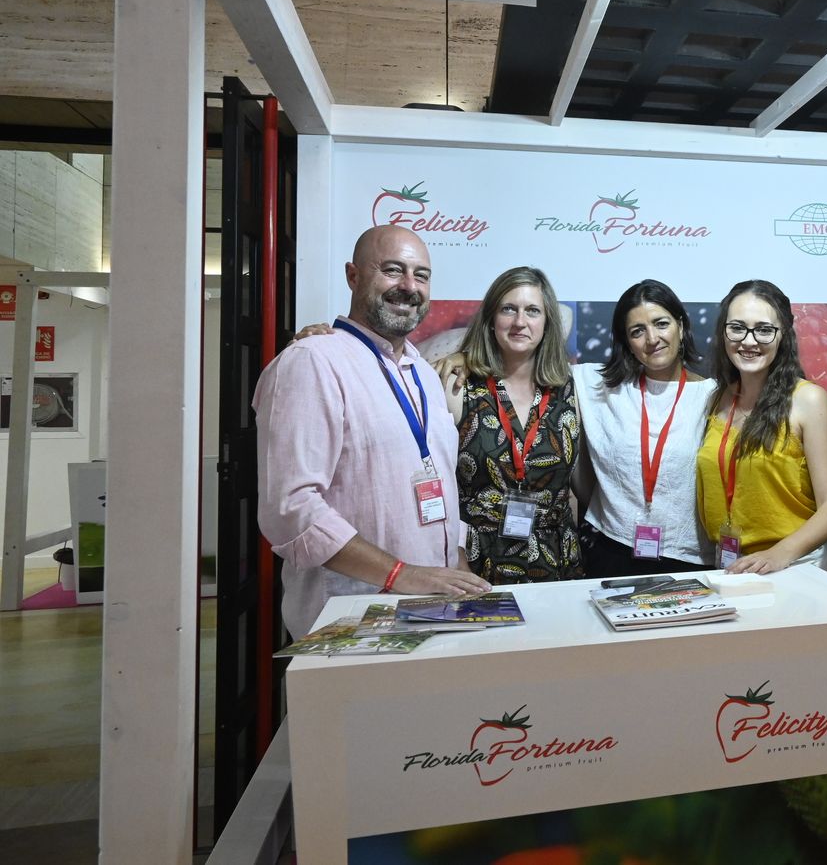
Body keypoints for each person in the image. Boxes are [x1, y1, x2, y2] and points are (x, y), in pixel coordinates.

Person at [254, 225, 489, 639]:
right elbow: (290, 510)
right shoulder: (312, 362)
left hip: (433, 608)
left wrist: (456, 559)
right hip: (350, 621)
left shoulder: (423, 372)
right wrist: (402, 574)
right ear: (353, 275)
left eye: (421, 275)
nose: (409, 286)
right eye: (393, 270)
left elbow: (437, 480)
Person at [695, 279, 827, 574]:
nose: (749, 341)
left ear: (783, 336)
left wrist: (779, 554)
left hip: (796, 563)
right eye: (737, 327)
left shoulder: (808, 399)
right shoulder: (718, 398)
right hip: (731, 565)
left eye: (764, 330)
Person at [445, 266, 583, 584]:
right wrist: (455, 556)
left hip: (557, 564)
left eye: (532, 311)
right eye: (509, 309)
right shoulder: (457, 386)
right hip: (475, 565)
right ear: (492, 319)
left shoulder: (570, 389)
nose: (520, 322)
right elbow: (438, 485)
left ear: (547, 322)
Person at [573, 279, 718, 577]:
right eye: (637, 331)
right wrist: (465, 356)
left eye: (661, 323)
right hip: (610, 549)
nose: (652, 338)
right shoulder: (598, 386)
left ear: (680, 324)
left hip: (688, 556)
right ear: (626, 341)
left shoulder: (715, 396)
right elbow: (527, 361)